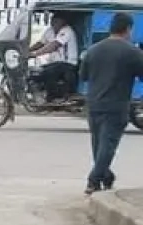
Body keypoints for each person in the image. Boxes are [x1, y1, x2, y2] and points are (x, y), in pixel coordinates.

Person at [79, 12, 143, 194]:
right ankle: (93, 180)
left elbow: (83, 76)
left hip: (94, 104)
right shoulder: (132, 52)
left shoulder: (93, 50)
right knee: (107, 146)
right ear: (128, 29)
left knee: (99, 146)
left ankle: (106, 177)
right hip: (116, 106)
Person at [29, 14, 79, 102]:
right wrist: (27, 51)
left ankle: (55, 97)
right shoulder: (50, 30)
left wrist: (35, 54)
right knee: (36, 71)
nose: (53, 23)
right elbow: (41, 43)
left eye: (56, 21)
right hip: (55, 63)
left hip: (68, 63)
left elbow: (54, 45)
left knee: (48, 72)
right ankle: (41, 94)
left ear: (63, 22)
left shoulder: (67, 31)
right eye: (53, 21)